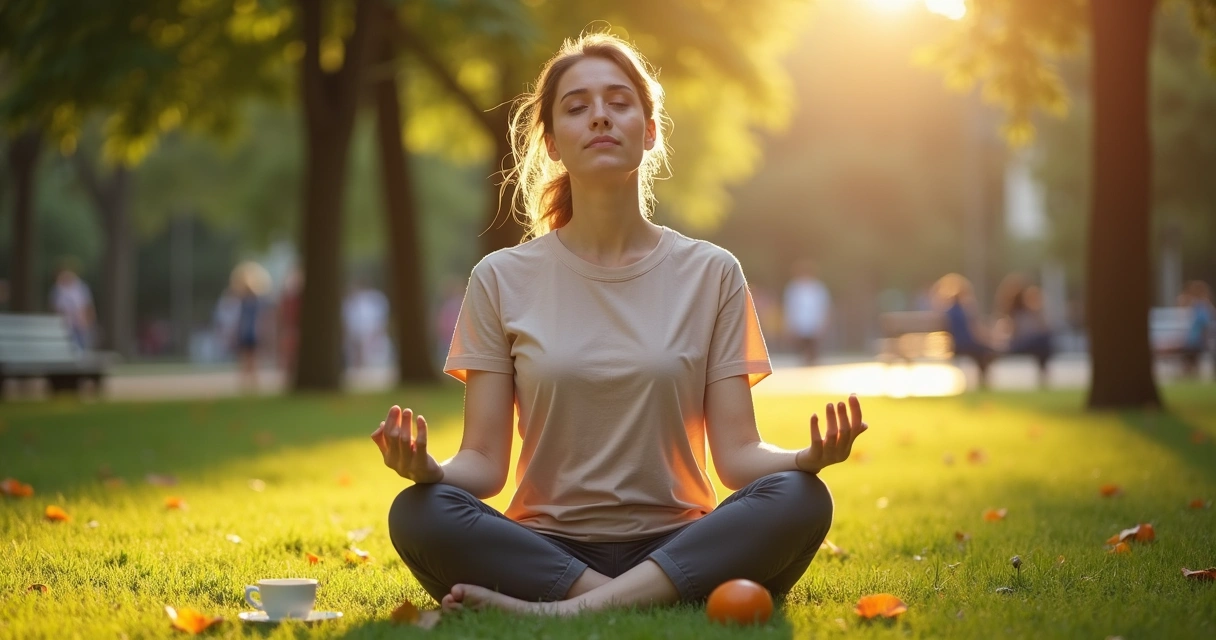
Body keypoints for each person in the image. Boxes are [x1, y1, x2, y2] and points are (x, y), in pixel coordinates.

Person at [372, 32, 869, 617]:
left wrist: (803, 459)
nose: (600, 117)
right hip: (547, 547)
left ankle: (557, 610)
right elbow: (483, 464)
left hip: (680, 541)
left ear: (650, 129)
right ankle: (637, 600)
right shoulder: (500, 278)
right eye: (577, 107)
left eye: (618, 102)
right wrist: (430, 470)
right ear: (553, 144)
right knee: (418, 511)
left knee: (801, 498)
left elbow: (736, 457)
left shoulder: (712, 273)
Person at [932, 273, 996, 388]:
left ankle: (983, 382)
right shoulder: (964, 310)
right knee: (987, 352)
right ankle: (983, 382)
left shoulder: (948, 311)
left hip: (956, 346)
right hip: (965, 345)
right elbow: (975, 330)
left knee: (983, 352)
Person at [993, 274, 1053, 388]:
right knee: (1044, 339)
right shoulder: (1013, 314)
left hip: (1029, 342)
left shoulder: (1030, 311)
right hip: (1020, 343)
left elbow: (1042, 326)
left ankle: (1043, 374)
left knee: (1044, 340)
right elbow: (1010, 332)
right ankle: (1044, 374)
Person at [228, 262, 270, 390]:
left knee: (253, 357)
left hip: (253, 332)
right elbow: (239, 318)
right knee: (245, 357)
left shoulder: (257, 301)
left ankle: (253, 382)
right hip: (245, 332)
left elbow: (261, 318)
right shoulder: (242, 301)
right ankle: (245, 382)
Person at [783, 259, 831, 364]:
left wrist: (824, 322)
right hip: (799, 322)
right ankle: (805, 361)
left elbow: (824, 306)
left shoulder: (818, 288)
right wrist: (790, 324)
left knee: (813, 347)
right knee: (801, 347)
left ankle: (812, 361)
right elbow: (790, 307)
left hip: (814, 322)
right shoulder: (794, 288)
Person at [49, 261, 96, 350]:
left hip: (80, 323)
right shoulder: (57, 289)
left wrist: (88, 321)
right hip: (65, 324)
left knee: (82, 345)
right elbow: (55, 308)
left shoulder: (81, 287)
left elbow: (88, 306)